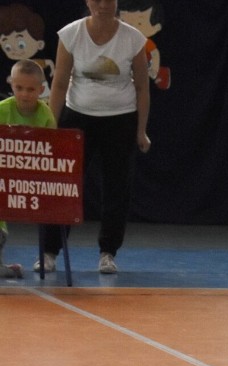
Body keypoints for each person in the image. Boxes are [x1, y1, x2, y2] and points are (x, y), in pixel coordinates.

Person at [35, 0, 150, 276]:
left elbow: (143, 88)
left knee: (116, 189)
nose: (102, 5)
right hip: (78, 117)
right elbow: (60, 82)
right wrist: (53, 125)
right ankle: (50, 251)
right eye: (96, 0)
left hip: (121, 119)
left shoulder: (133, 38)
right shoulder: (71, 34)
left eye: (108, 0)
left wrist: (141, 130)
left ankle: (108, 253)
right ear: (88, 2)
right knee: (63, 187)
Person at [0, 59, 56, 279]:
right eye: (19, 88)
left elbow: (54, 155)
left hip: (32, 180)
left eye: (31, 89)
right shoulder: (2, 110)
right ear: (11, 85)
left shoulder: (46, 116)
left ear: (42, 90)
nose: (24, 94)